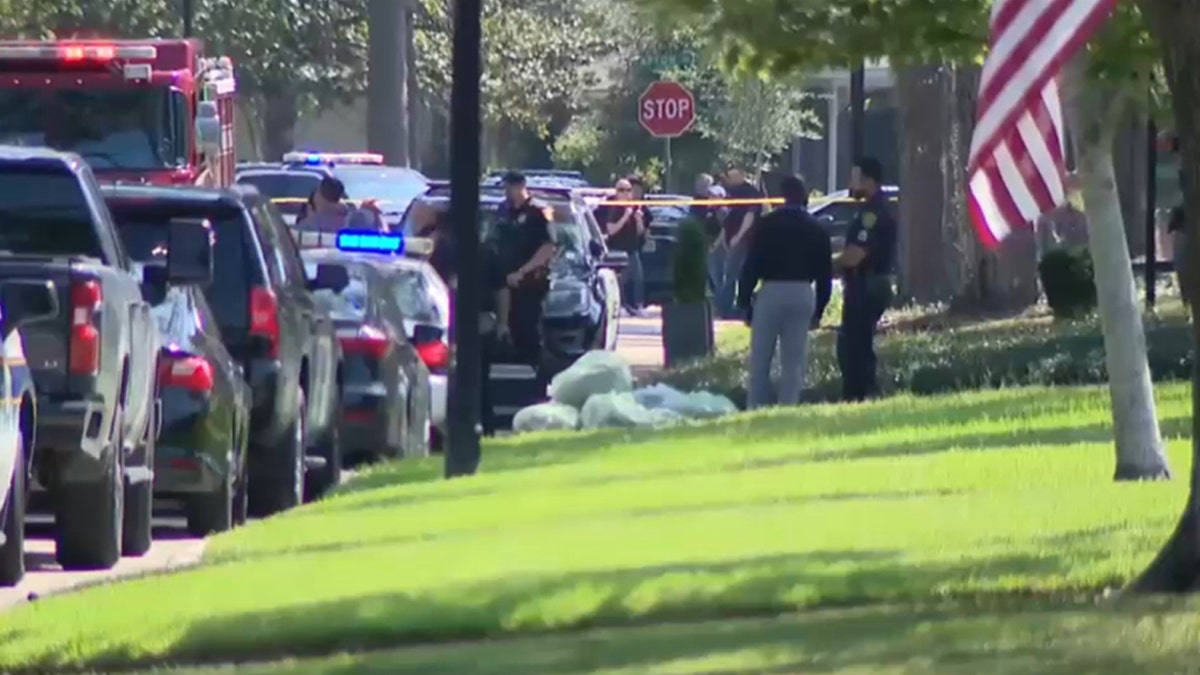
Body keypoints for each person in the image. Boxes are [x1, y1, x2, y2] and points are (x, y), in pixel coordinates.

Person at [738, 174, 832, 409]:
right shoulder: (816, 228)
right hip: (802, 291)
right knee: (794, 360)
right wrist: (819, 309)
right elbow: (824, 273)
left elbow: (751, 265)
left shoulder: (767, 224)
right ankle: (788, 407)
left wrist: (745, 301)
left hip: (771, 290)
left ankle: (756, 407)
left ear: (782, 196)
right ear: (805, 197)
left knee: (761, 358)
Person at [835, 157, 898, 402]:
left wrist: (827, 264)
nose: (851, 183)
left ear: (869, 181)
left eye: (855, 178)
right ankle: (863, 393)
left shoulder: (871, 213)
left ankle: (859, 395)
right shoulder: (872, 208)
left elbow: (855, 256)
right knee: (858, 342)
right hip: (869, 283)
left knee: (853, 346)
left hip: (866, 285)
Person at [495, 171, 556, 368]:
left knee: (528, 329)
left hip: (529, 284)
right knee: (505, 330)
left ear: (521, 186)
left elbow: (548, 247)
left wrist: (522, 272)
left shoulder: (538, 213)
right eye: (504, 187)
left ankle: (532, 371)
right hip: (503, 283)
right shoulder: (502, 210)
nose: (506, 192)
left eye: (509, 187)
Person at [711, 168, 763, 319]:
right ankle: (727, 308)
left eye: (733, 175)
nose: (730, 178)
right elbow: (728, 220)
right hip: (731, 240)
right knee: (730, 274)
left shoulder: (751, 192)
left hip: (745, 240)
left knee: (737, 274)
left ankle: (737, 308)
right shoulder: (731, 192)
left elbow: (750, 216)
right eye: (729, 176)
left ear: (742, 175)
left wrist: (738, 237)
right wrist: (721, 241)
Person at [594, 177, 647, 316]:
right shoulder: (613, 208)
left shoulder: (635, 206)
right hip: (616, 251)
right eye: (621, 190)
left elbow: (640, 232)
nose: (625, 193)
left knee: (637, 279)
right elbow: (610, 230)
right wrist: (625, 217)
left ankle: (638, 306)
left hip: (632, 249)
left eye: (628, 190)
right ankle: (621, 307)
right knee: (618, 281)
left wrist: (638, 219)